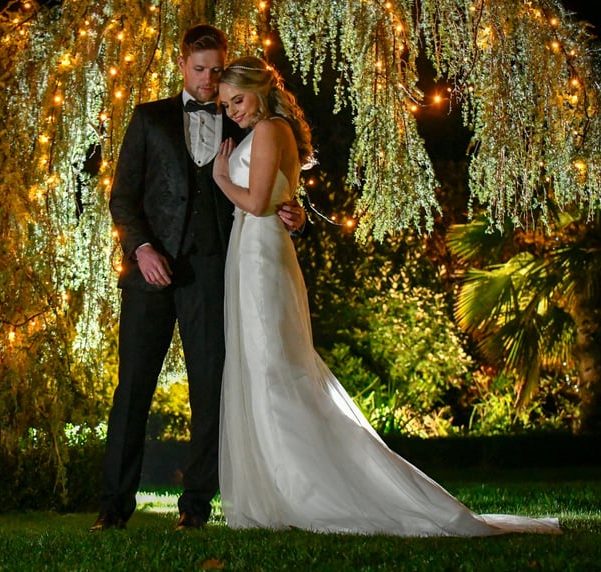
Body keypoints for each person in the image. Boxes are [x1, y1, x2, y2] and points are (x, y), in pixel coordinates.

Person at [212, 55, 561, 536]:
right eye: (226, 105)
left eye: (238, 100)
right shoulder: (273, 130)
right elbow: (276, 199)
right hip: (256, 249)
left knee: (273, 367)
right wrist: (289, 210)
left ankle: (305, 488)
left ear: (260, 90)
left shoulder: (271, 129)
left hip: (259, 254)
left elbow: (255, 202)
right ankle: (281, 483)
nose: (233, 111)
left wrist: (221, 178)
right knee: (267, 364)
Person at [94, 27, 306, 532]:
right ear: (181, 64)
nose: (209, 80)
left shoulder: (246, 119)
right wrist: (142, 249)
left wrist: (294, 214)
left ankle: (195, 507)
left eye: (217, 70)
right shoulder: (148, 118)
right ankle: (113, 508)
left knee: (210, 391)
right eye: (200, 69)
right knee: (132, 390)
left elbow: (273, 183)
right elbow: (122, 198)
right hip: (150, 273)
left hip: (215, 272)